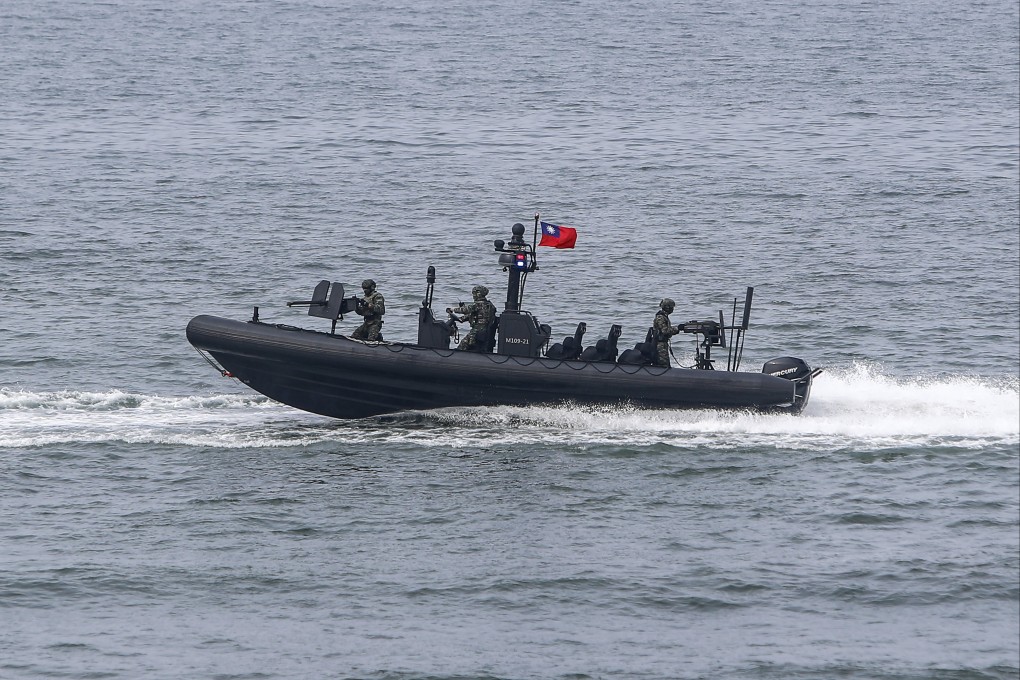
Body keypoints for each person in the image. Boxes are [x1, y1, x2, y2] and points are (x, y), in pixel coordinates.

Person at [446, 285, 497, 351]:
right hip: (485, 331)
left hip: (477, 331)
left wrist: (452, 309)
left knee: (463, 344)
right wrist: (460, 319)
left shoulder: (478, 304)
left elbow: (466, 310)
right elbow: (476, 315)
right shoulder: (489, 305)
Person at [652, 297, 680, 367]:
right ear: (667, 307)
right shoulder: (660, 317)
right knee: (663, 364)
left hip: (663, 344)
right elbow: (665, 331)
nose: (672, 309)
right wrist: (677, 329)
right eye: (671, 307)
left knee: (665, 364)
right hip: (660, 345)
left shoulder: (664, 316)